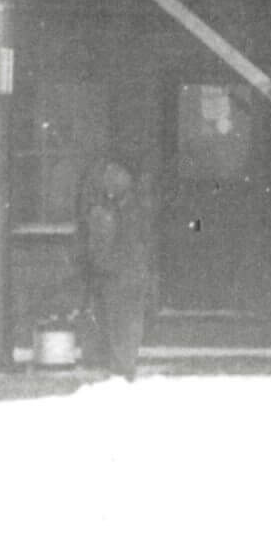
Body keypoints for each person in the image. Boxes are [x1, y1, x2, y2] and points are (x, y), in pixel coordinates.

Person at [75, 160, 155, 380]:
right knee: (107, 321)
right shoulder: (104, 206)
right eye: (107, 175)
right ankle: (111, 368)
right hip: (105, 273)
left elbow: (137, 243)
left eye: (116, 174)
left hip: (125, 274)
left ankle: (123, 370)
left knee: (125, 324)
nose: (109, 180)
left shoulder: (135, 208)